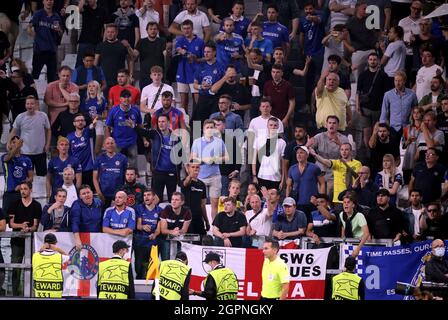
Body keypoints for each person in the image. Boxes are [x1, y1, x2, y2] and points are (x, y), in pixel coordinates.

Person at [8, 181, 42, 296]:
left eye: (25, 189)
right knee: (15, 267)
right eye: (21, 189)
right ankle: (15, 294)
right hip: (17, 241)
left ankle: (32, 293)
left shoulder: (37, 205)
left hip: (32, 241)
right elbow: (11, 224)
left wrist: (28, 229)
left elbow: (35, 226)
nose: (22, 191)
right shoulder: (14, 204)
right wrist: (21, 226)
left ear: (30, 190)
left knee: (33, 267)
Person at [191, 119, 228, 220]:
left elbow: (226, 157)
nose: (209, 129)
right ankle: (203, 226)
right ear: (203, 129)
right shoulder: (197, 142)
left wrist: (215, 159)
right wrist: (204, 159)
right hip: (201, 176)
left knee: (214, 204)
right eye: (207, 127)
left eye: (212, 127)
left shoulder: (219, 142)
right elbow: (193, 158)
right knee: (200, 204)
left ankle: (214, 228)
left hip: (215, 176)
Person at [10, 96, 51, 177]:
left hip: (40, 152)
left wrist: (47, 145)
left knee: (42, 177)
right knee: (26, 178)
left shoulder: (43, 115)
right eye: (28, 104)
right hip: (25, 153)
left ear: (35, 104)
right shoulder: (20, 117)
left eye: (32, 103)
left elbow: (49, 130)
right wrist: (9, 143)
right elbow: (13, 131)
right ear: (25, 105)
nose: (30, 106)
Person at [357, 52, 389, 150]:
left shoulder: (383, 75)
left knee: (378, 134)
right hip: (365, 109)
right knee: (366, 134)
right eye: (370, 59)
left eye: (374, 59)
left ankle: (376, 154)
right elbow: (358, 92)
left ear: (378, 61)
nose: (372, 61)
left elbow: (386, 94)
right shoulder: (362, 75)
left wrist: (386, 109)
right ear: (368, 61)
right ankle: (368, 156)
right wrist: (358, 107)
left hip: (379, 110)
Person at [105, 89, 143, 167]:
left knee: (132, 167)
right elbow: (108, 126)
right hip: (118, 142)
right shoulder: (114, 110)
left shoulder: (136, 110)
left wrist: (143, 138)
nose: (126, 99)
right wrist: (108, 140)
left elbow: (139, 125)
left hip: (132, 142)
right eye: (124, 97)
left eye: (128, 97)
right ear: (120, 99)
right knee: (116, 166)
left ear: (131, 98)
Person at [27, 0, 62, 82]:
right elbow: (29, 26)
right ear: (43, 2)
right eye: (47, 0)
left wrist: (59, 30)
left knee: (52, 78)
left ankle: (51, 94)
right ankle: (34, 94)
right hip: (39, 50)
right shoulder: (38, 14)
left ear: (53, 2)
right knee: (35, 75)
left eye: (51, 0)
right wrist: (31, 33)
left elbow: (60, 33)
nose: (49, 2)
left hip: (51, 51)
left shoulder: (56, 16)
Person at [380, 71, 418, 142]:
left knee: (406, 150)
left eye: (400, 81)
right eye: (396, 80)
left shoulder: (412, 94)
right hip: (393, 128)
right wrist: (383, 128)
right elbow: (384, 113)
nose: (397, 83)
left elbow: (415, 109)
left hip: (407, 127)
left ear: (404, 81)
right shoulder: (388, 95)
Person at [286, 146, 325, 214]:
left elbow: (322, 183)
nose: (299, 155)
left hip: (312, 202)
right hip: (297, 203)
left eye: (301, 153)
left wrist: (321, 199)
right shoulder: (292, 168)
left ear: (307, 155)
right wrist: (287, 199)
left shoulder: (315, 168)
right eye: (297, 153)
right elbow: (288, 186)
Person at [175, 19, 204, 110]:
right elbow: (178, 49)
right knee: (183, 105)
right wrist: (182, 51)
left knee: (197, 103)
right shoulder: (179, 40)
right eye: (184, 28)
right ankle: (186, 124)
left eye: (188, 28)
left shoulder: (200, 42)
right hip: (182, 73)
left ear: (192, 29)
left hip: (195, 74)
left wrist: (196, 58)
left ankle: (196, 125)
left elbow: (204, 58)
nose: (186, 30)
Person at [192, 42, 225, 123]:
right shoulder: (200, 66)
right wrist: (200, 87)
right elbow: (195, 84)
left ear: (214, 52)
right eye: (205, 52)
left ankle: (214, 135)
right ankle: (196, 135)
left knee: (214, 122)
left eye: (208, 52)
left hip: (215, 99)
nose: (206, 54)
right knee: (197, 122)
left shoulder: (221, 66)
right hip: (203, 97)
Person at [1, 136, 33, 216]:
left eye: (18, 142)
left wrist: (22, 185)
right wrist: (17, 146)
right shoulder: (5, 157)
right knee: (5, 220)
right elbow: (7, 158)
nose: (16, 144)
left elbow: (31, 178)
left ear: (21, 144)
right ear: (10, 145)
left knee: (22, 219)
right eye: (14, 142)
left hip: (22, 194)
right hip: (9, 193)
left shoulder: (27, 159)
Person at [93, 137, 128, 209]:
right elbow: (95, 178)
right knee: (104, 215)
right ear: (104, 146)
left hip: (118, 193)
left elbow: (126, 176)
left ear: (115, 145)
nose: (110, 145)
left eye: (112, 143)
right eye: (107, 143)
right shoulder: (99, 158)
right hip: (104, 194)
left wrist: (123, 192)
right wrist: (99, 193)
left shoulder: (122, 158)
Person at [252, 117, 286, 190]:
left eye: (275, 125)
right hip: (261, 176)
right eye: (271, 125)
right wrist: (254, 175)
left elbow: (283, 163)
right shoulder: (259, 139)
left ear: (278, 127)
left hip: (276, 178)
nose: (273, 127)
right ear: (267, 126)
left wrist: (283, 180)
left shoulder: (282, 142)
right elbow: (254, 159)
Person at [94, 24, 131, 91]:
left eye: (112, 32)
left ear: (116, 33)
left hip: (119, 79)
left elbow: (130, 60)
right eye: (108, 32)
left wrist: (130, 75)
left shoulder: (122, 45)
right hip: (104, 80)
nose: (109, 34)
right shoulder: (100, 45)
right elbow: (95, 62)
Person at [134, 189, 161, 279]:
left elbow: (159, 227)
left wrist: (155, 234)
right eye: (144, 195)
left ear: (154, 197)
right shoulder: (139, 208)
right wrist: (143, 227)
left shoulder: (160, 210)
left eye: (148, 195)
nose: (146, 197)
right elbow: (138, 225)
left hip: (153, 243)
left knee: (152, 270)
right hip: (140, 242)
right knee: (139, 268)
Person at [32, 233, 69, 298]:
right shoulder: (60, 257)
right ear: (55, 244)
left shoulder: (35, 256)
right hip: (55, 295)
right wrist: (58, 249)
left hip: (39, 294)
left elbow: (39, 253)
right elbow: (70, 258)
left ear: (44, 243)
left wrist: (41, 248)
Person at [46, 136, 82, 200]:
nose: (64, 147)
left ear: (69, 146)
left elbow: (78, 179)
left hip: (70, 193)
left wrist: (75, 192)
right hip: (56, 194)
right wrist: (48, 195)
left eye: (66, 145)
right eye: (62, 144)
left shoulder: (75, 161)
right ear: (57, 147)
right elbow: (48, 179)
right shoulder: (52, 162)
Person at [160, 192, 192, 260]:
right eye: (172, 199)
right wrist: (172, 232)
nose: (173, 202)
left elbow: (184, 230)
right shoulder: (166, 210)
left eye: (176, 200)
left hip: (180, 237)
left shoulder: (187, 212)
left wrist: (178, 231)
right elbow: (163, 230)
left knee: (180, 257)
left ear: (182, 202)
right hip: (165, 237)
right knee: (165, 258)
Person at [75, 0, 108, 68]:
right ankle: (77, 78)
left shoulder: (102, 10)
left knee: (96, 66)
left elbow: (105, 28)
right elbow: (78, 9)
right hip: (84, 41)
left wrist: (103, 42)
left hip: (97, 42)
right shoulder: (85, 8)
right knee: (80, 65)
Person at [181, 162, 209, 238]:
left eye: (197, 167)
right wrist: (190, 175)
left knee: (201, 240)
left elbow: (203, 205)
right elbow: (186, 183)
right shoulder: (185, 181)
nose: (195, 169)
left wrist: (206, 221)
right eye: (193, 167)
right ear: (188, 169)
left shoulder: (202, 184)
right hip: (188, 218)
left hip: (199, 218)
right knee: (190, 241)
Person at [68, 113, 96, 188]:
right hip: (76, 169)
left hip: (89, 168)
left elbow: (92, 126)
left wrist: (94, 122)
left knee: (89, 191)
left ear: (85, 122)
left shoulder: (88, 132)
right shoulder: (70, 137)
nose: (80, 122)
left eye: (82, 120)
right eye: (78, 120)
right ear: (74, 123)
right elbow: (69, 153)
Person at [71, 185, 103, 250]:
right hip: (83, 236)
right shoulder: (76, 205)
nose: (86, 195)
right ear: (80, 196)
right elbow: (75, 223)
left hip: (97, 237)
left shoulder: (98, 202)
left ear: (92, 193)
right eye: (83, 194)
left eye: (88, 192)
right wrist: (77, 240)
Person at [134, 22, 166, 89]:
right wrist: (128, 47)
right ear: (147, 30)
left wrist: (167, 52)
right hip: (145, 75)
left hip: (158, 75)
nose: (153, 31)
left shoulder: (162, 41)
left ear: (157, 30)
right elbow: (134, 55)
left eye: (154, 29)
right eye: (150, 29)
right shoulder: (141, 42)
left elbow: (165, 53)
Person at [81, 80, 108, 155]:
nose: (91, 88)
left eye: (93, 86)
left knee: (98, 125)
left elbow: (106, 116)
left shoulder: (102, 99)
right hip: (87, 121)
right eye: (89, 86)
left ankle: (97, 151)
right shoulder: (85, 100)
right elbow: (82, 113)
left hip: (98, 121)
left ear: (97, 88)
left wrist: (99, 117)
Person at [402, 106, 424, 183]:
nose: (416, 114)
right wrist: (408, 141)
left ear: (422, 114)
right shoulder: (407, 128)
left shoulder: (425, 127)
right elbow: (403, 145)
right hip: (409, 156)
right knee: (408, 182)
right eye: (414, 112)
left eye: (418, 112)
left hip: (421, 157)